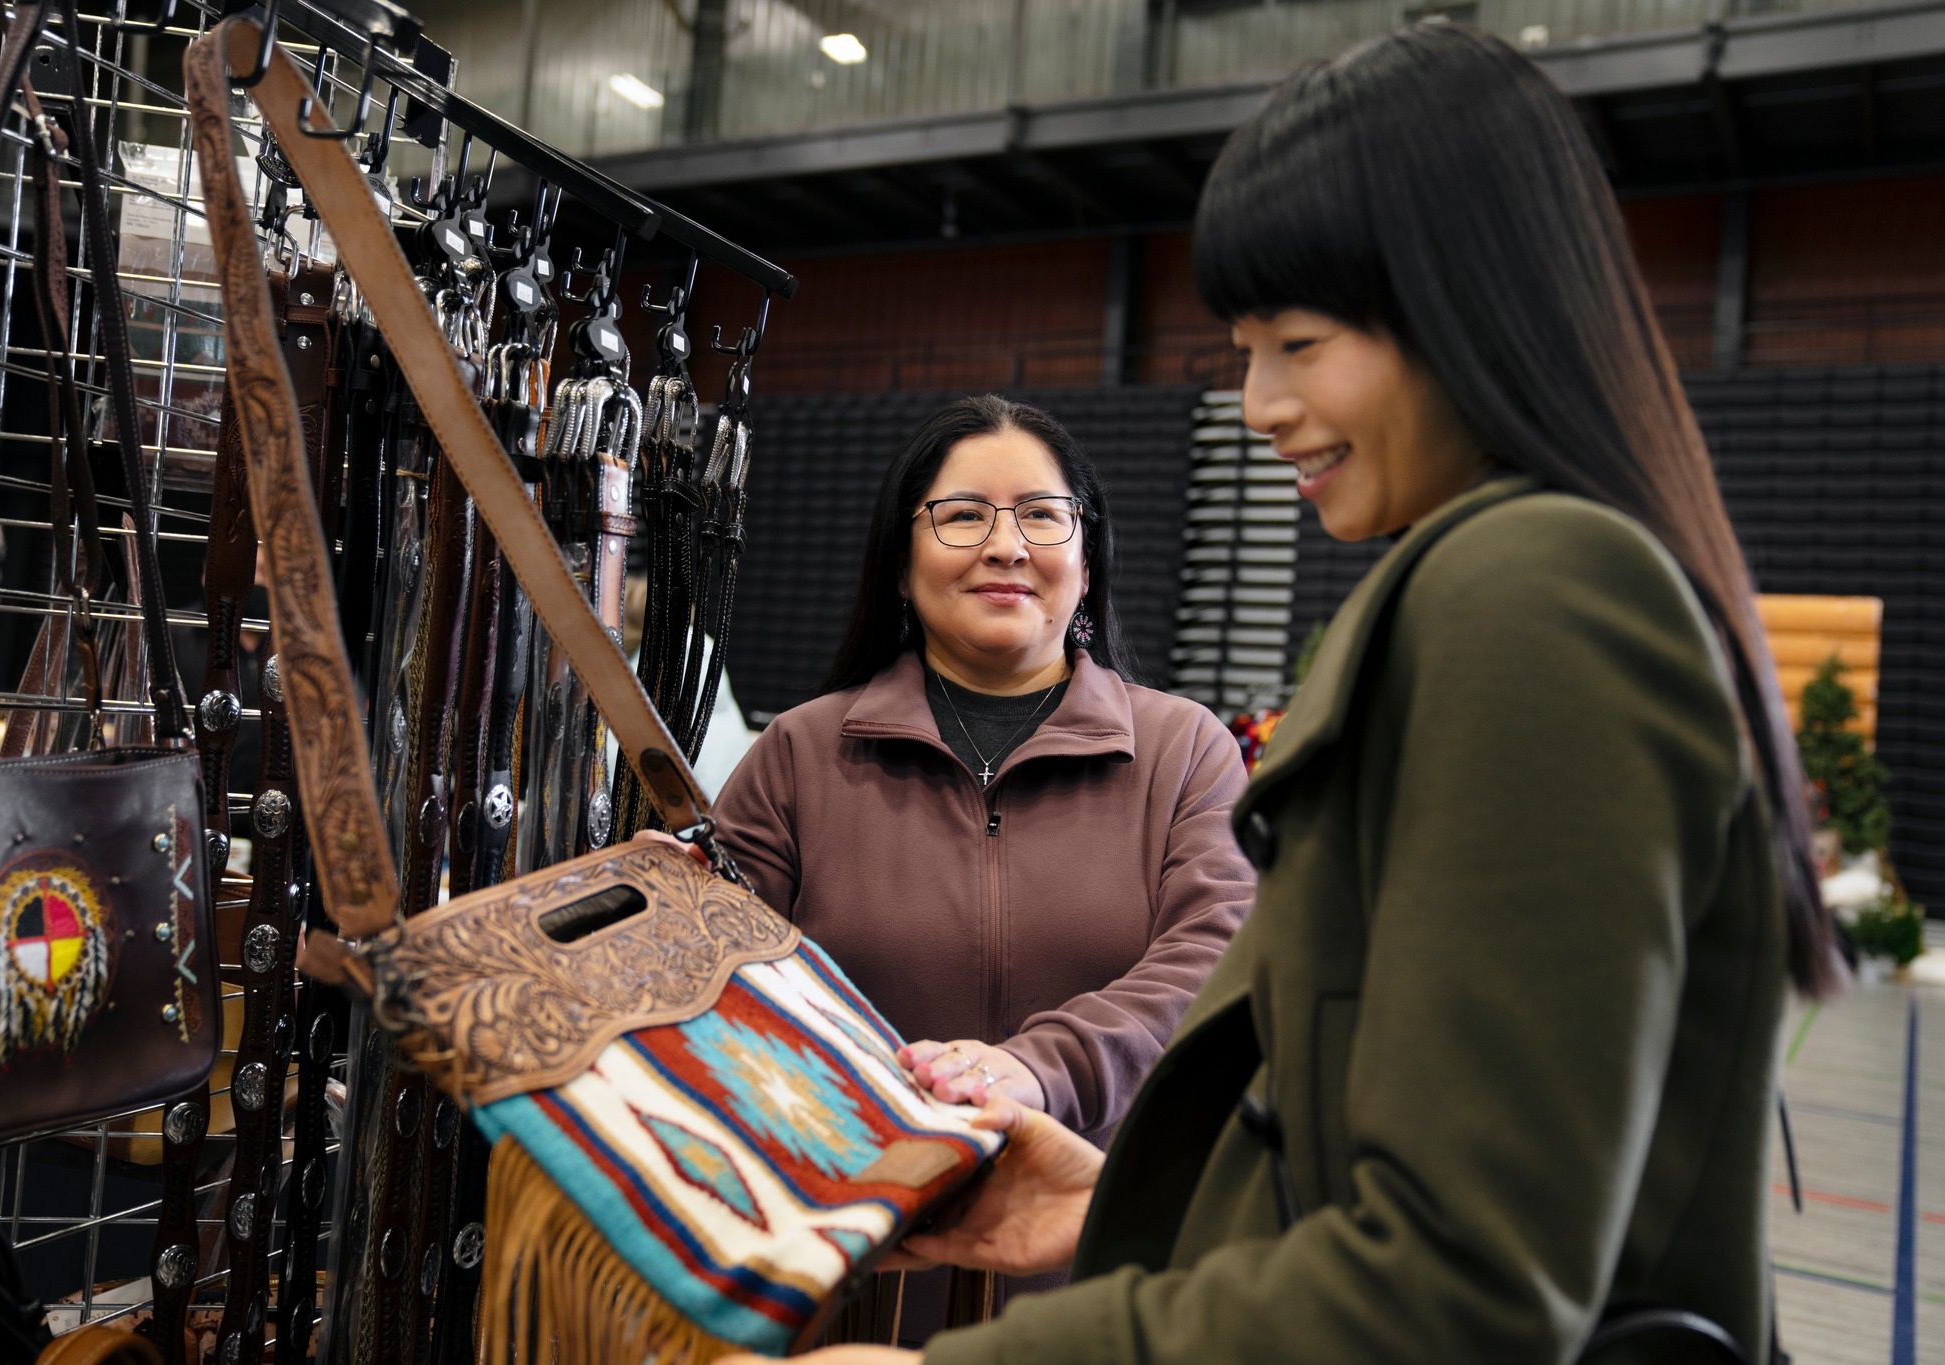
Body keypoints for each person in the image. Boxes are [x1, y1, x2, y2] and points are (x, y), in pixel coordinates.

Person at [723, 23, 1843, 1365]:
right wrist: (1115, 1201)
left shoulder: (1535, 590)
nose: (1258, 405)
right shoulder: (1477, 582)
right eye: (1247, 349)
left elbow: (1463, 1287)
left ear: (1469, 305)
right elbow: (1382, 1154)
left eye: (1301, 343)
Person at [709, 394, 1254, 1337]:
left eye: (1041, 515)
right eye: (963, 514)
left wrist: (1032, 1072)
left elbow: (1216, 962)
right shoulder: (800, 754)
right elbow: (716, 984)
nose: (1006, 546)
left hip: (1105, 1288)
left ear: (1088, 559)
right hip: (843, 1284)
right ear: (899, 557)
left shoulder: (1184, 751)